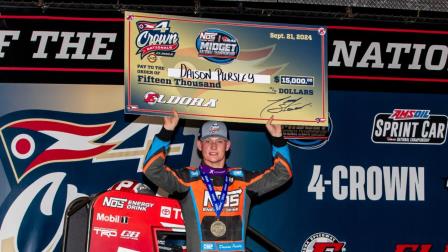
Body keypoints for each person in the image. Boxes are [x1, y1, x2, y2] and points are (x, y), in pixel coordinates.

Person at [143, 111, 292, 252]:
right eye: (207, 140)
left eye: (219, 141)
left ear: (227, 146)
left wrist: (278, 139)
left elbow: (283, 173)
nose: (213, 146)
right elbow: (152, 170)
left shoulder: (244, 180)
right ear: (200, 146)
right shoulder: (187, 179)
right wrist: (166, 132)